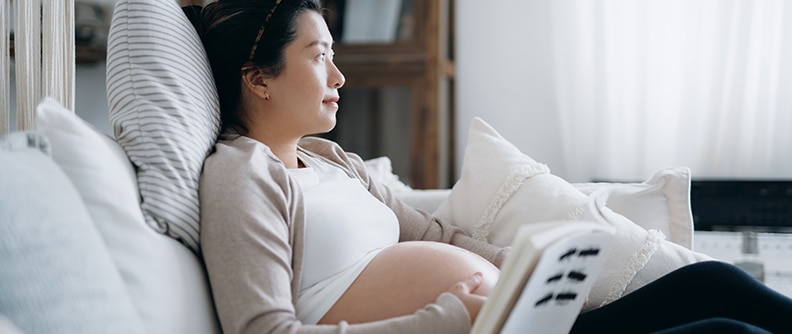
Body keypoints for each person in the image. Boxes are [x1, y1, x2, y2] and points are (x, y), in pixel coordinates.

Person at [186, 1, 792, 333]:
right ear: (258, 78)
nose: (340, 78)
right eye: (319, 58)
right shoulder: (240, 178)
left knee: (714, 284)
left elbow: (430, 235)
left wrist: (534, 276)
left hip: (527, 321)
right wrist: (451, 316)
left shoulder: (329, 160)